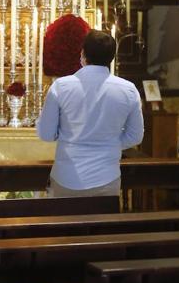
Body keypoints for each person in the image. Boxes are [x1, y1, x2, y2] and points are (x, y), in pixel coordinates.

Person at [36, 29, 144, 197]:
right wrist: (109, 142)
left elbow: (46, 134)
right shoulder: (128, 90)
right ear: (111, 58)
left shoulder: (61, 87)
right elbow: (135, 136)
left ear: (83, 54)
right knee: (101, 223)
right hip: (106, 177)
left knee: (64, 223)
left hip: (67, 176)